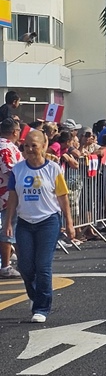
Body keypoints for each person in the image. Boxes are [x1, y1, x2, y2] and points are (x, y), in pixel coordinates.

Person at [2, 129, 74, 322]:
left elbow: (62, 197)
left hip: (48, 222)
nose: (30, 149)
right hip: (25, 223)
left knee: (42, 265)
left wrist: (69, 223)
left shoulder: (53, 169)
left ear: (43, 146)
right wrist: (8, 222)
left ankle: (41, 308)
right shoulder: (18, 170)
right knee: (25, 266)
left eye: (34, 145)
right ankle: (36, 296)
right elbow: (13, 198)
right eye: (26, 145)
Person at [0, 118, 23, 277]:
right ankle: (5, 266)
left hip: (7, 193)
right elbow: (10, 171)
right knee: (8, 228)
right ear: (14, 132)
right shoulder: (5, 148)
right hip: (7, 195)